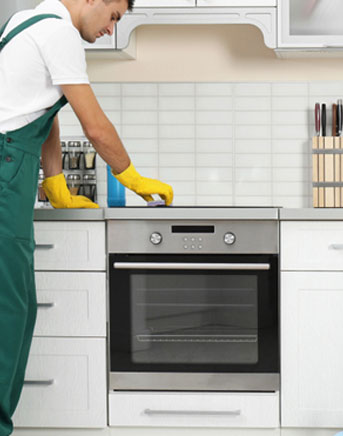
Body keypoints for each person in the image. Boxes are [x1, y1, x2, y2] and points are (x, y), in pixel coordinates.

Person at [0, 0, 173, 433]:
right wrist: (130, 176)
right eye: (115, 15)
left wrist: (56, 184)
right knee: (10, 311)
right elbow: (93, 125)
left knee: (15, 308)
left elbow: (44, 112)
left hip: (12, 167)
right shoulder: (59, 33)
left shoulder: (28, 19)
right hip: (5, 171)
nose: (112, 29)